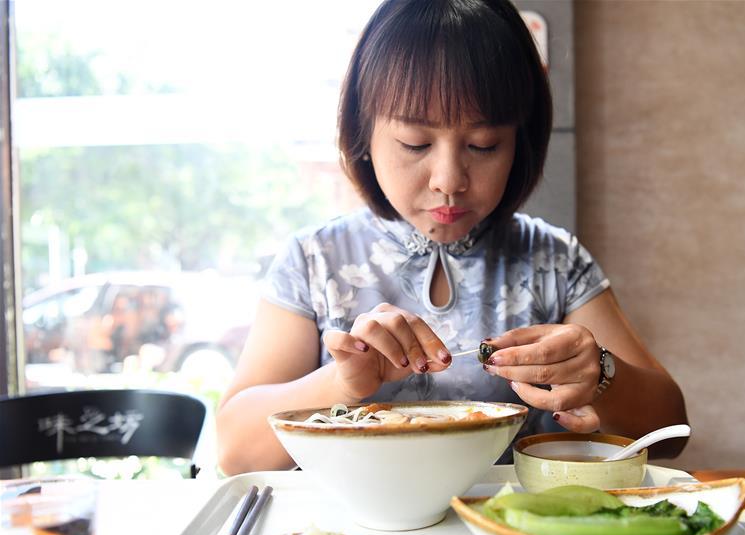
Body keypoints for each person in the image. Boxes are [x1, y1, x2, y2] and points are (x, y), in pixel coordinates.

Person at [216, 0, 687, 475]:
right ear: (363, 131)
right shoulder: (316, 260)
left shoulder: (552, 261)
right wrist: (340, 383)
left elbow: (669, 432)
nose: (449, 179)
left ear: (520, 142)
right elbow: (235, 454)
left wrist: (602, 374)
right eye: (415, 143)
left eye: (483, 146)